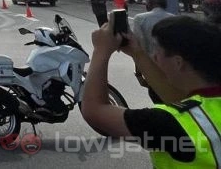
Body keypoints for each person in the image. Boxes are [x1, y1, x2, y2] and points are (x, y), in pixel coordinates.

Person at [81, 16, 221, 166]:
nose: (154, 56)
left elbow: (94, 111)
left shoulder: (167, 123)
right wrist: (137, 53)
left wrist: (101, 50)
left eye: (157, 51)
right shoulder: (205, 110)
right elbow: (181, 102)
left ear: (178, 62)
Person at [131, 0, 174, 104]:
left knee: (159, 101)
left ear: (150, 2)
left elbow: (138, 47)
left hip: (152, 69)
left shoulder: (140, 19)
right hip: (174, 69)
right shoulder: (173, 18)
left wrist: (139, 73)